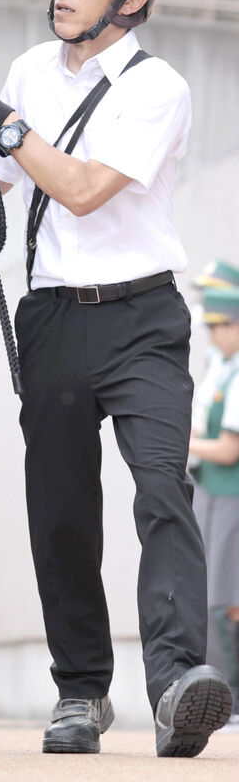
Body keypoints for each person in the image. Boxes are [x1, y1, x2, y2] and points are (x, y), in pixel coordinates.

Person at [0, 0, 232, 756]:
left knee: (162, 491)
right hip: (54, 315)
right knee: (59, 509)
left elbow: (85, 187)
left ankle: (177, 685)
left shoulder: (157, 88)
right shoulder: (30, 67)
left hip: (142, 317)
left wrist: (10, 126)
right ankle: (80, 694)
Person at [189, 286, 239, 728]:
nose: (212, 334)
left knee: (226, 602)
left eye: (219, 326)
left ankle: (233, 700)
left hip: (231, 493)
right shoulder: (218, 365)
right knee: (209, 596)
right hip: (209, 490)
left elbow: (227, 449)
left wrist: (182, 442)